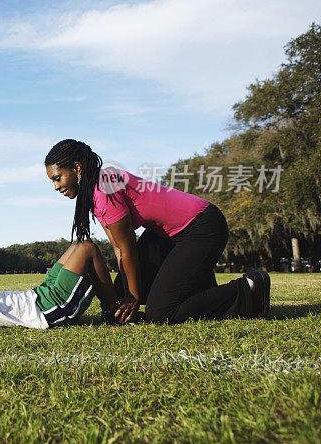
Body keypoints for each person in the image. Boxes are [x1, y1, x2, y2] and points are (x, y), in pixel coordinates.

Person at [44, 138, 270, 324]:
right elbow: (117, 247)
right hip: (166, 237)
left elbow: (127, 247)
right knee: (122, 288)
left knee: (160, 313)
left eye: (58, 177)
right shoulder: (94, 192)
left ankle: (249, 288)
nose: (56, 186)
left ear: (77, 168)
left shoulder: (105, 188)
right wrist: (122, 297)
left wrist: (133, 298)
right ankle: (200, 293)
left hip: (201, 227)